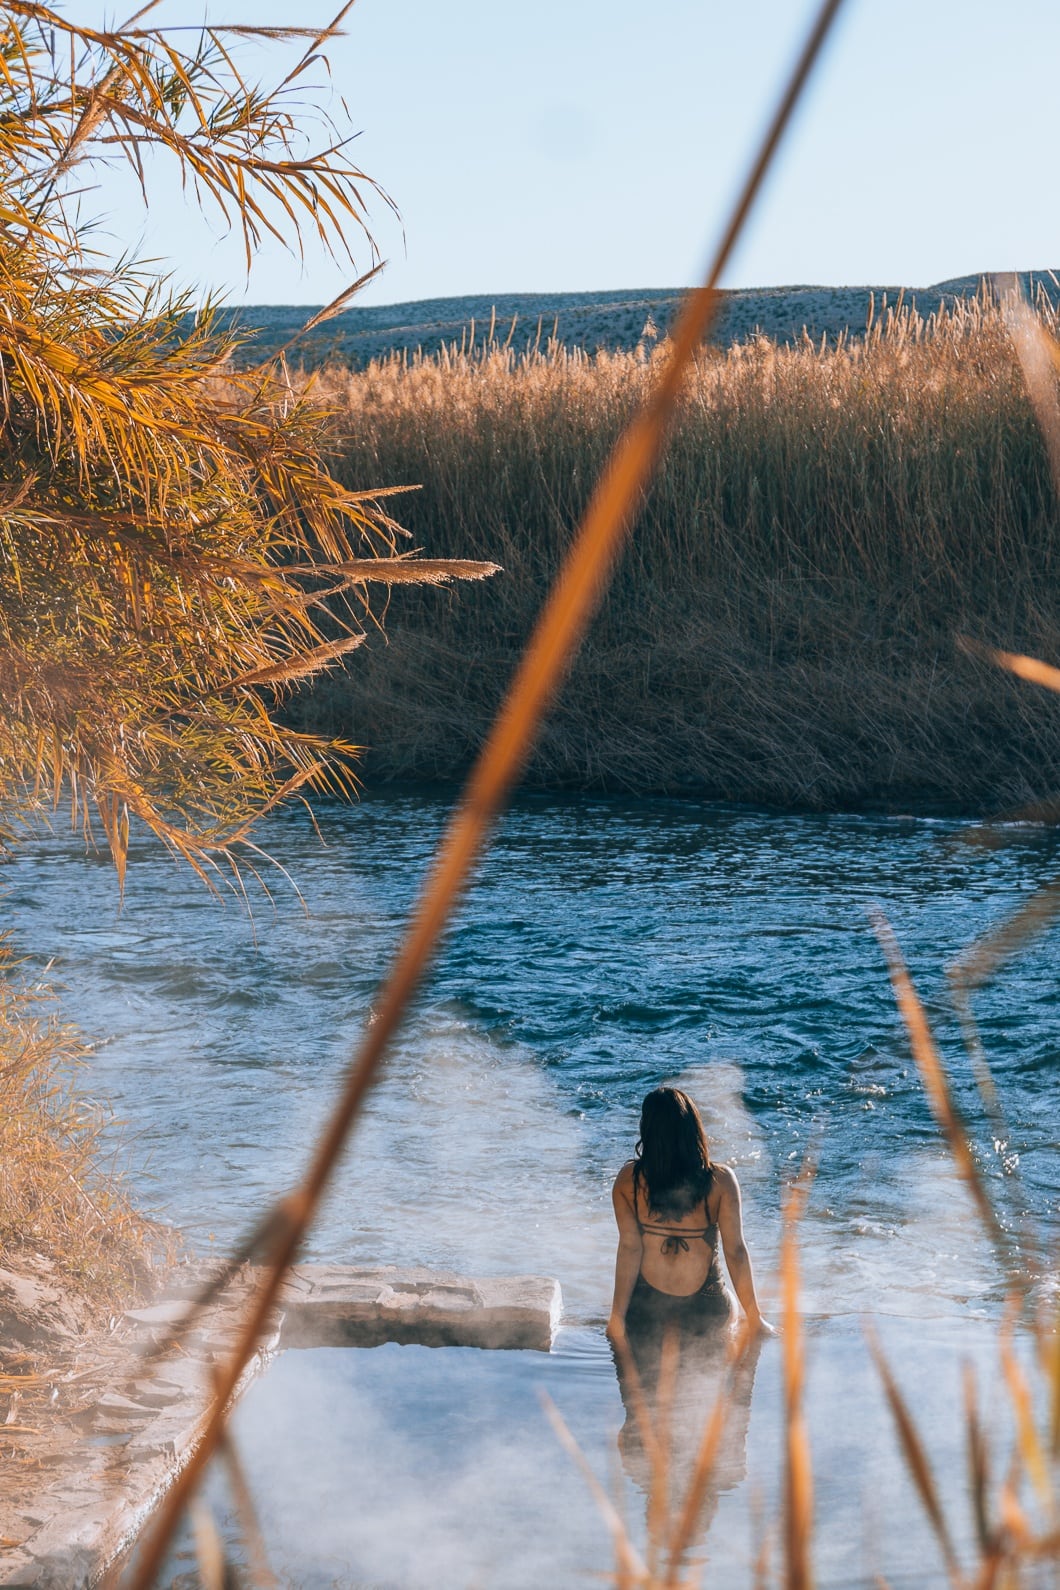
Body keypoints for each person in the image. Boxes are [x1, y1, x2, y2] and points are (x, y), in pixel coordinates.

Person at [606, 1086, 773, 1348]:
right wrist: (755, 1318)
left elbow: (629, 1248)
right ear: (692, 1129)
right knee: (732, 1314)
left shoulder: (628, 1180)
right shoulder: (721, 1181)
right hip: (704, 1310)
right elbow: (736, 1251)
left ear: (646, 1129)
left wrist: (616, 1319)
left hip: (646, 1313)